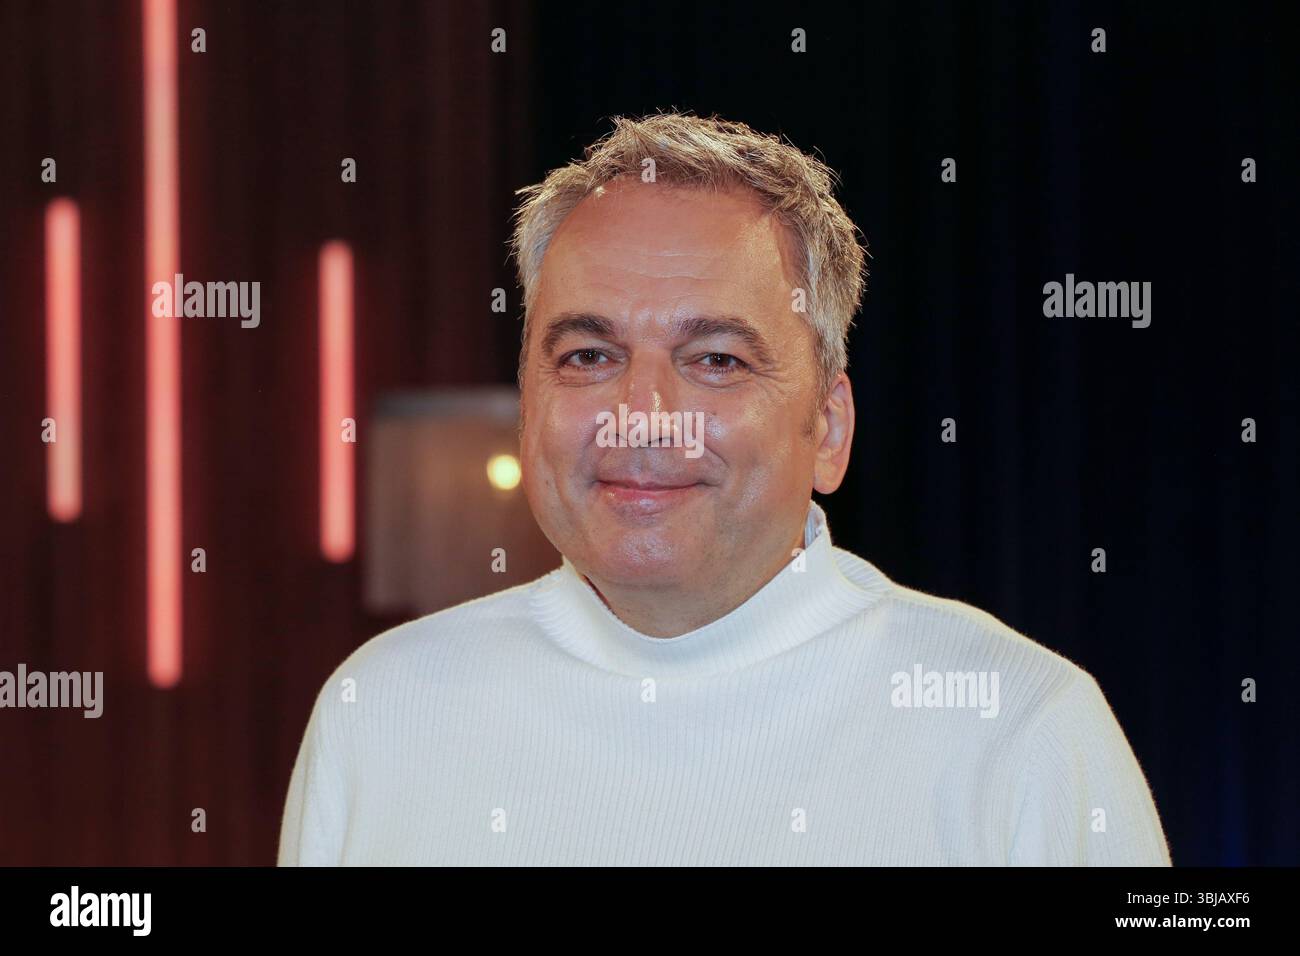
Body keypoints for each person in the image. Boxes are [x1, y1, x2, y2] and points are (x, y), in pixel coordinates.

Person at [278, 112, 1171, 866]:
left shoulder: (1018, 732)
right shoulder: (383, 715)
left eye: (716, 360)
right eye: (589, 356)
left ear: (828, 429)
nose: (644, 416)